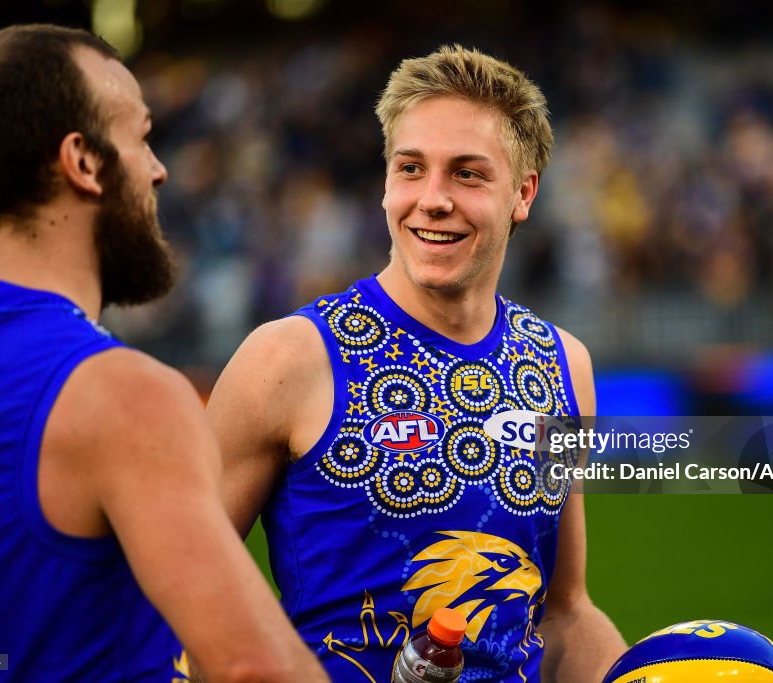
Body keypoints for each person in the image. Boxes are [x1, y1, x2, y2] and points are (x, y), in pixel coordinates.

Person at [207, 44, 626, 682]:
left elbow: (565, 610)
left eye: (467, 173)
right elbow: (174, 598)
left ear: (523, 192)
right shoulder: (290, 357)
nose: (431, 199)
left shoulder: (565, 364)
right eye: (410, 168)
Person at [0, 24, 328, 683]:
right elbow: (255, 665)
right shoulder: (122, 394)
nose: (159, 167)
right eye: (141, 137)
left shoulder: (561, 361)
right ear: (83, 161)